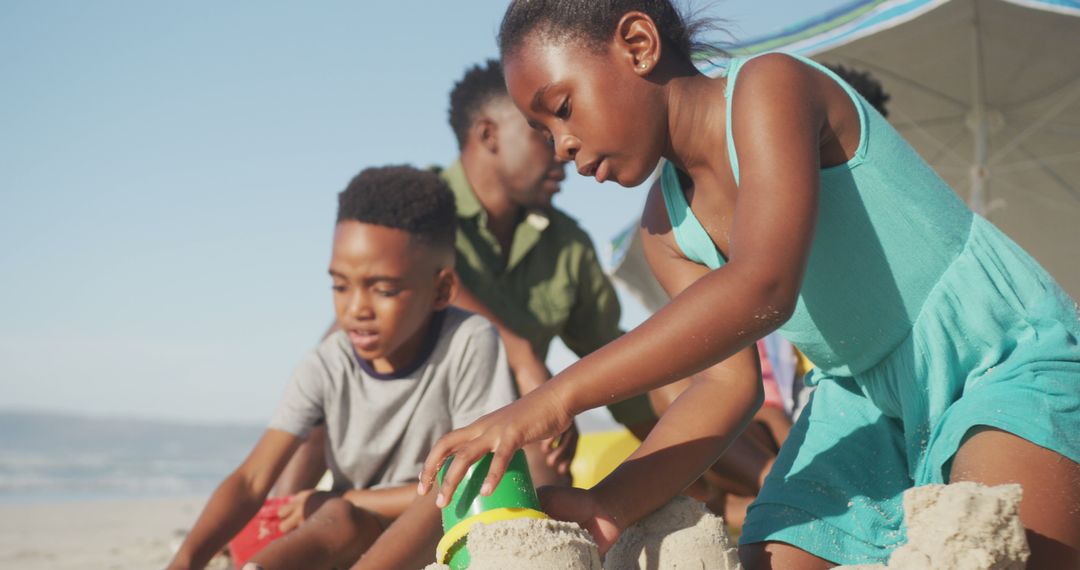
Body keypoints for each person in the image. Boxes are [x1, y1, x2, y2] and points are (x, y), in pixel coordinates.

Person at [417, 2, 1080, 569]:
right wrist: (608, 502)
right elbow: (723, 385)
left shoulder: (771, 89)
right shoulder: (663, 229)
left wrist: (555, 397)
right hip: (856, 404)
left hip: (993, 358)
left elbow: (763, 285)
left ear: (639, 45)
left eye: (562, 108)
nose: (561, 144)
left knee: (988, 542)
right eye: (543, 131)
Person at [169, 166, 516, 570]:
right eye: (340, 286)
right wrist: (186, 561)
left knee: (355, 509)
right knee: (340, 520)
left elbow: (466, 478)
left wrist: (350, 498)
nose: (356, 309)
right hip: (346, 534)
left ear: (440, 289)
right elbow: (251, 480)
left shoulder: (469, 341)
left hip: (433, 532)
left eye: (383, 290)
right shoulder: (327, 363)